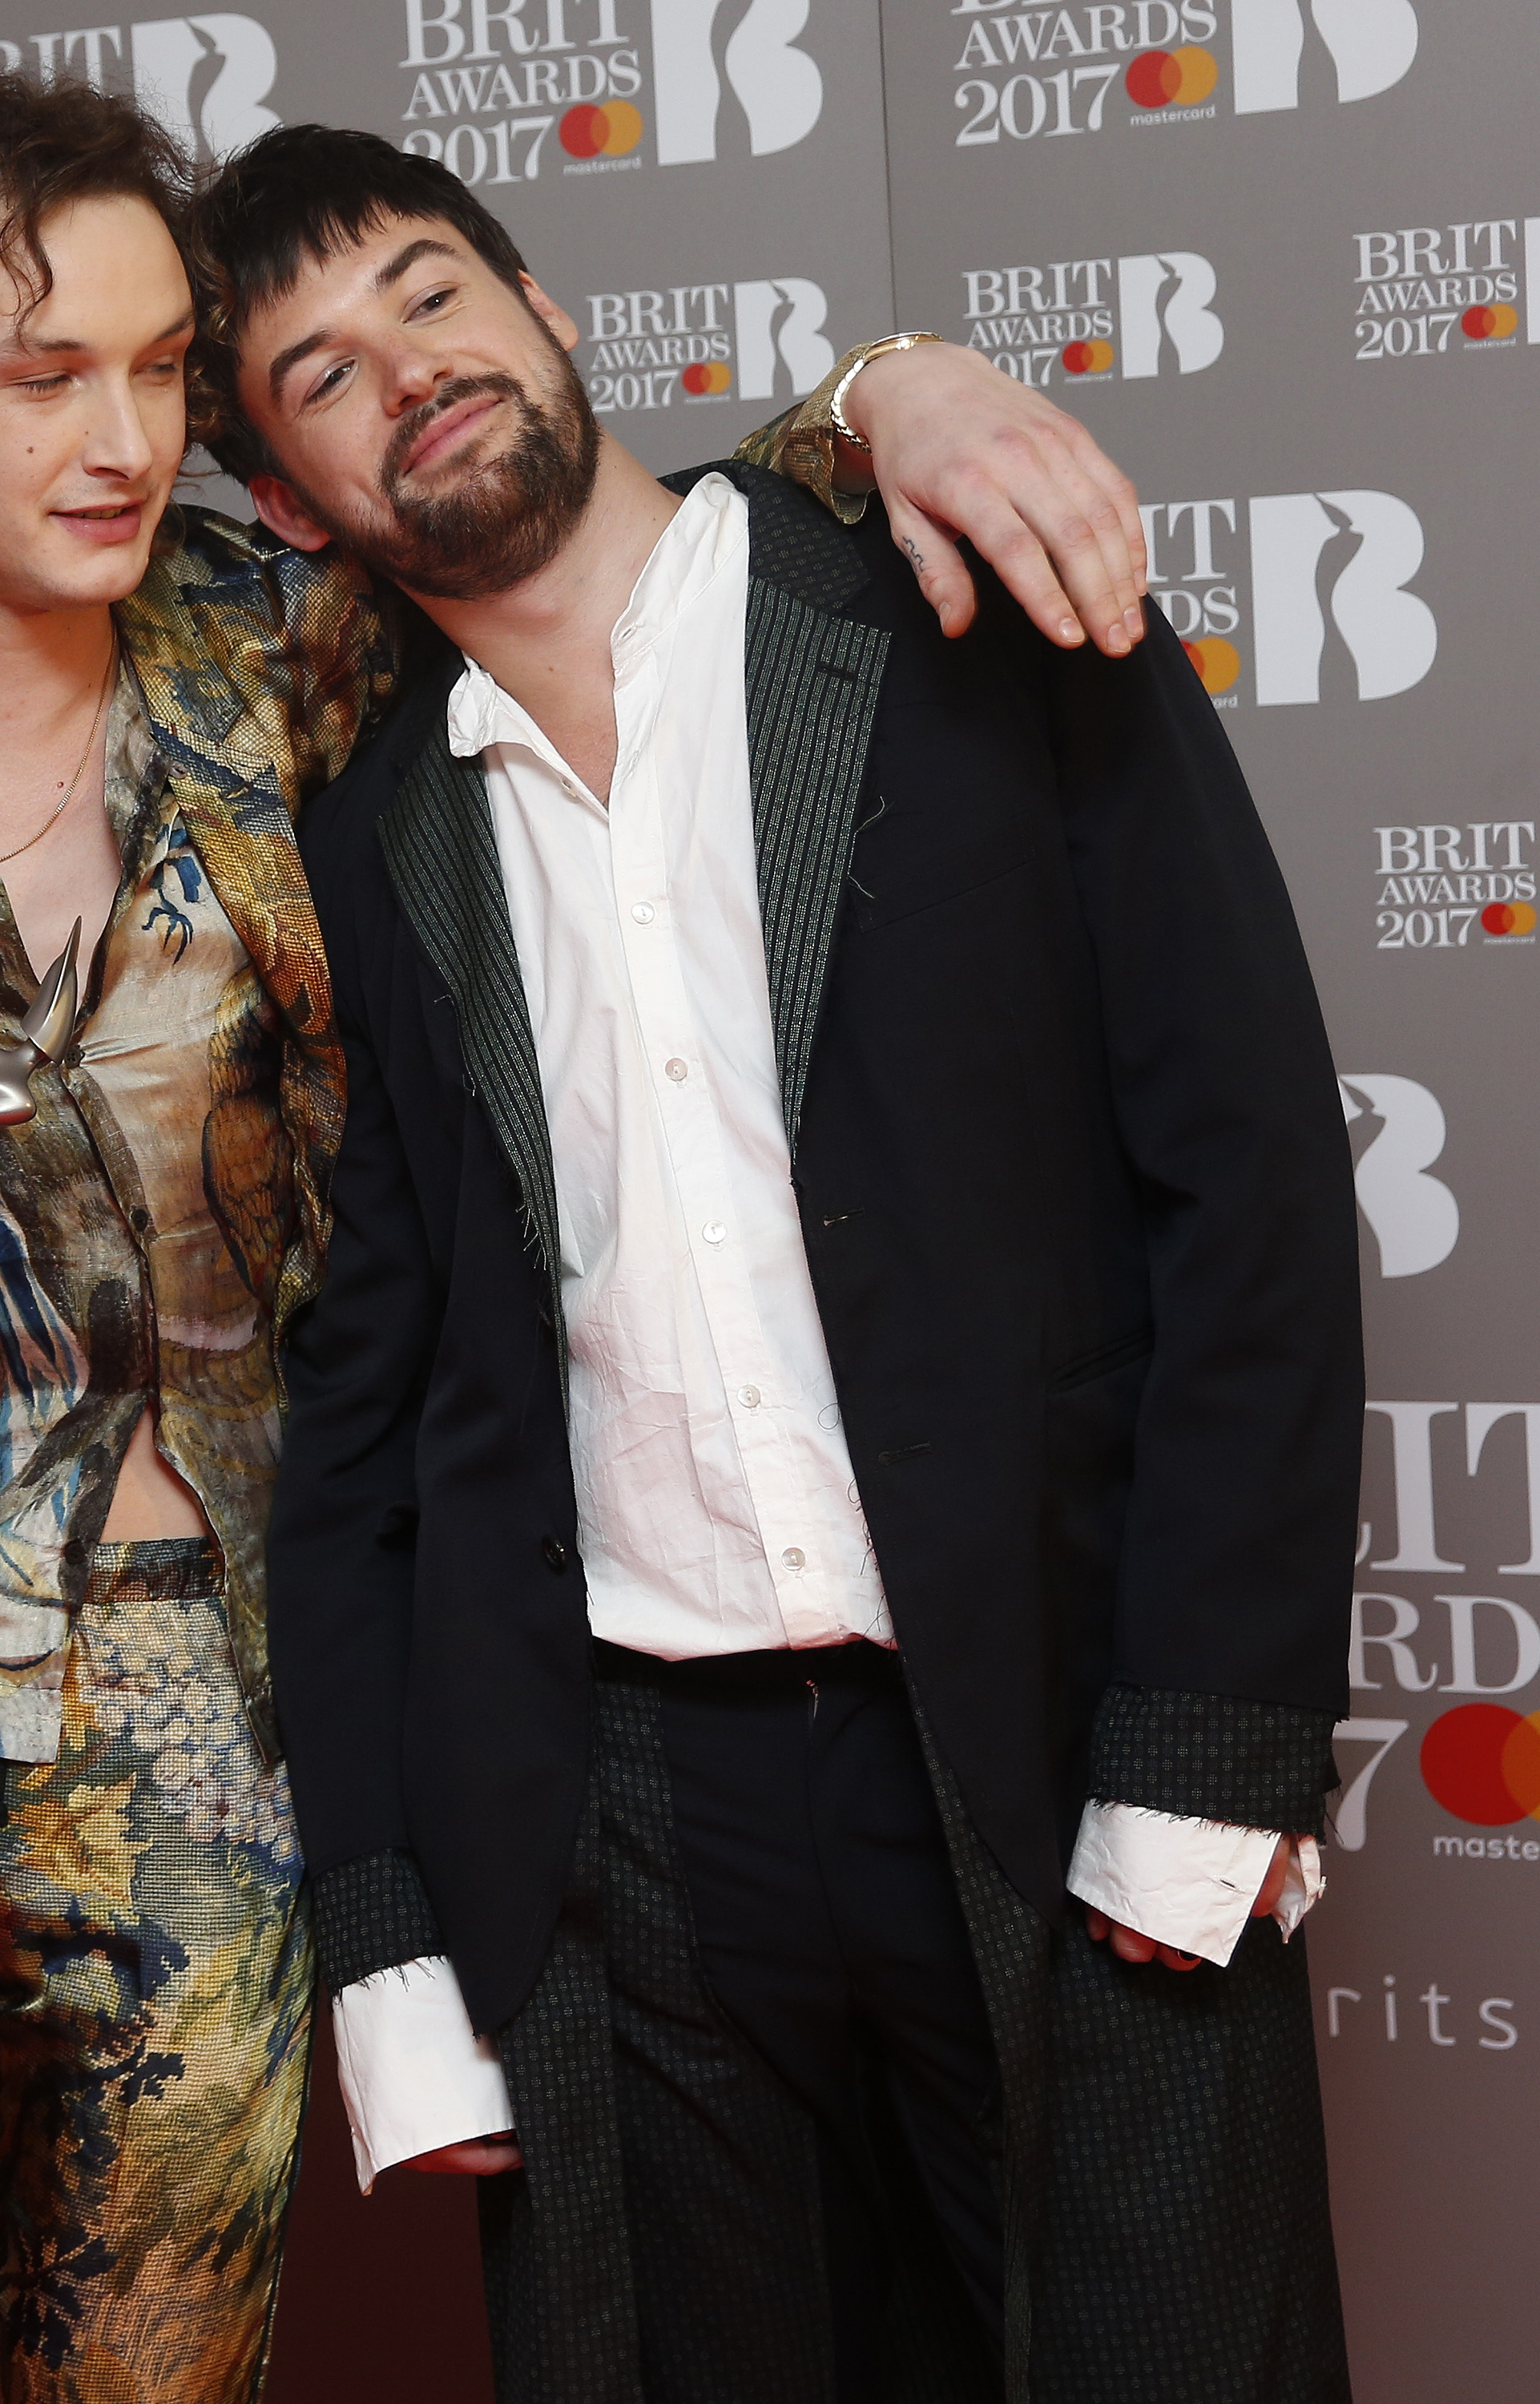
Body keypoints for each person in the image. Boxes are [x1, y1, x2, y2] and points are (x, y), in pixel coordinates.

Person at [0, 67, 1162, 2404]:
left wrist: (875, 392)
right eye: (43, 375)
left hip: (210, 1715)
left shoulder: (304, 650)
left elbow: (625, 531)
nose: (122, 432)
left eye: (155, 372)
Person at [212, 127, 1359, 2400]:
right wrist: (385, 1942)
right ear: (286, 505)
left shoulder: (951, 603)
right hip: (620, 1838)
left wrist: (1205, 1759)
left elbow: (1248, 1190)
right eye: (317, 373)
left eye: (431, 295)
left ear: (545, 307)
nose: (406, 374)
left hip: (1037, 1741)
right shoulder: (370, 841)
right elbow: (364, 1419)